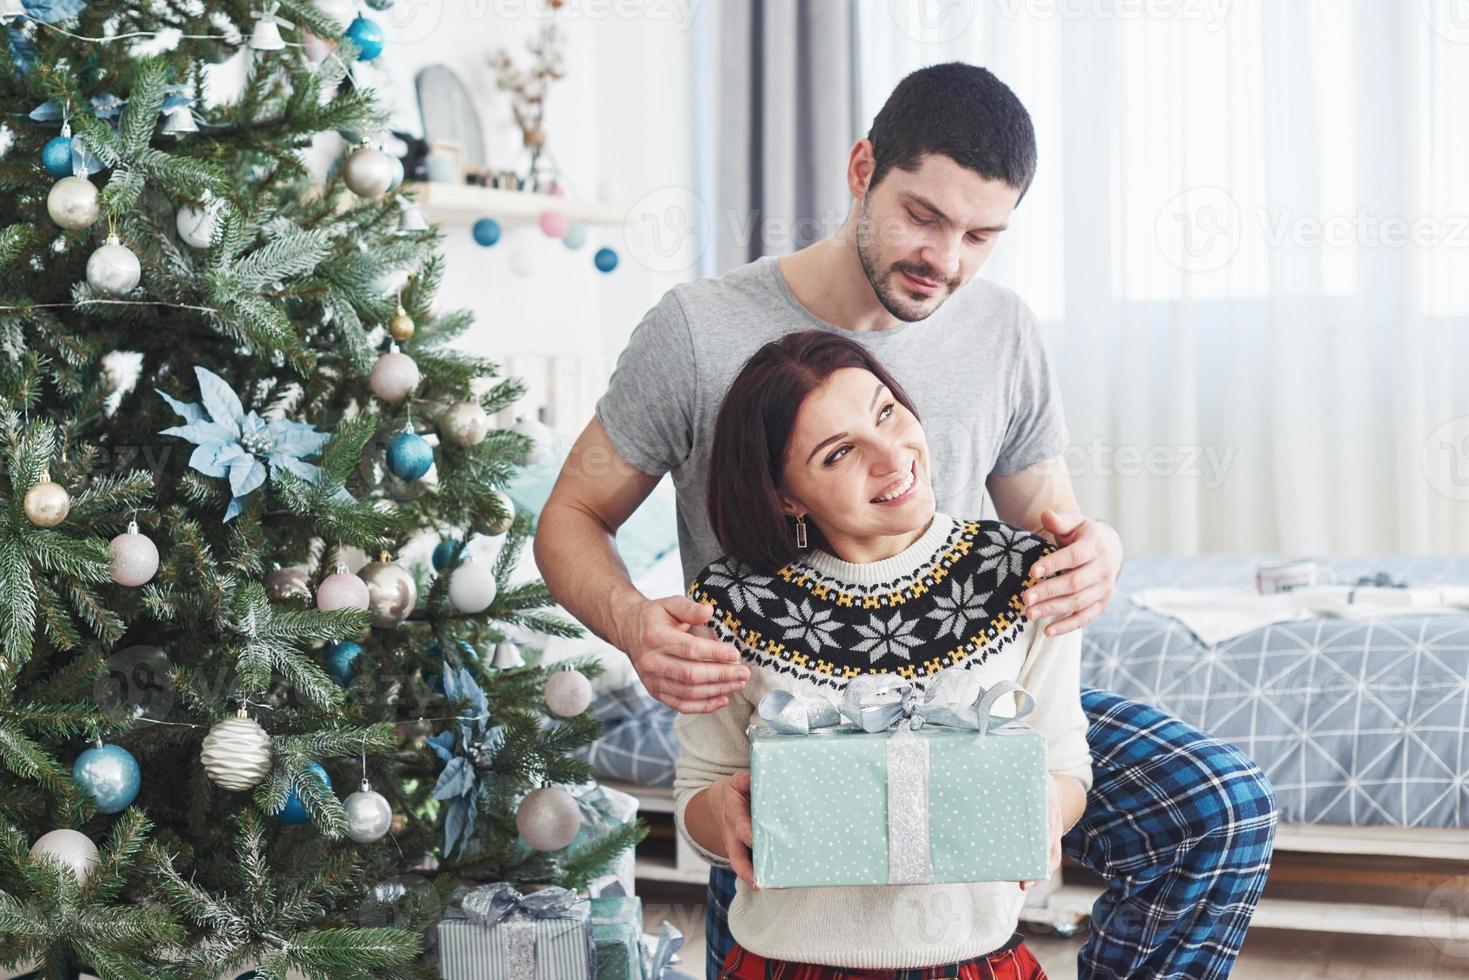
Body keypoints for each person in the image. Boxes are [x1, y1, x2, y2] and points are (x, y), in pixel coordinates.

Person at [536, 62, 1276, 979]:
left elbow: (1052, 526)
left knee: (1218, 807)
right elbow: (571, 513)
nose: (948, 260)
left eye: (981, 234)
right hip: (787, 727)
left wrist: (1101, 548)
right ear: (860, 169)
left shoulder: (1000, 329)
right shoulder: (695, 332)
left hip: (959, 706)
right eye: (923, 218)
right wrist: (635, 624)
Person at [676, 329, 1088, 978]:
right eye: (839, 453)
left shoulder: (1027, 574)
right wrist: (720, 815)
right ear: (785, 495)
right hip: (788, 962)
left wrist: (1042, 813)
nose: (892, 457)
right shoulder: (728, 605)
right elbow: (698, 795)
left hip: (974, 959)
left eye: (886, 412)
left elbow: (1064, 759)